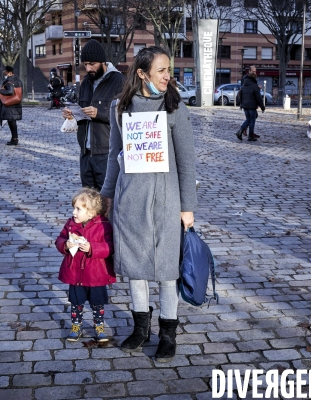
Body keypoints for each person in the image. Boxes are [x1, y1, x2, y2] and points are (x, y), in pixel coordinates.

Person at [100, 46, 196, 363]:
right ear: (142, 74)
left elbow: (186, 163)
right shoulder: (119, 109)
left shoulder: (175, 107)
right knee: (135, 269)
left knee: (168, 271)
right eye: (162, 71)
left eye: (169, 69)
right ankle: (141, 328)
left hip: (167, 202)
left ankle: (168, 333)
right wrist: (107, 197)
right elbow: (114, 158)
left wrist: (187, 207)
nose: (169, 76)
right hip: (130, 202)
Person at [62, 39, 126, 191]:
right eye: (85, 65)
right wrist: (71, 115)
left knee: (107, 200)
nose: (89, 68)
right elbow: (81, 111)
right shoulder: (86, 83)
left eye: (92, 64)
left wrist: (100, 113)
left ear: (103, 62)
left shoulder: (120, 81)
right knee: (89, 201)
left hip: (106, 153)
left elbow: (127, 116)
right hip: (85, 152)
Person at [55, 188, 115, 342]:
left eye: (78, 209)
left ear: (91, 212)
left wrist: (92, 248)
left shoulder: (104, 226)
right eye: (74, 208)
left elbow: (109, 247)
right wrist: (66, 245)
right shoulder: (70, 224)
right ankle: (76, 326)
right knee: (76, 302)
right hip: (76, 273)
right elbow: (59, 240)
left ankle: (99, 326)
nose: (74, 212)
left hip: (96, 274)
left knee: (97, 303)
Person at [236, 70, 265, 142]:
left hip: (245, 105)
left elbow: (241, 95)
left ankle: (241, 130)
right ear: (254, 78)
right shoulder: (255, 86)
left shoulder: (244, 85)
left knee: (249, 119)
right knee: (252, 120)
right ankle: (249, 135)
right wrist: (262, 107)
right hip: (252, 106)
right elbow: (259, 98)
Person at [0, 65, 23, 146]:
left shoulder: (9, 81)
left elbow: (10, 92)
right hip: (16, 104)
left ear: (9, 73)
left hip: (10, 105)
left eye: (5, 71)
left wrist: (0, 91)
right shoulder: (18, 81)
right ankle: (14, 138)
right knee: (12, 122)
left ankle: (14, 139)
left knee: (11, 122)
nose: (3, 72)